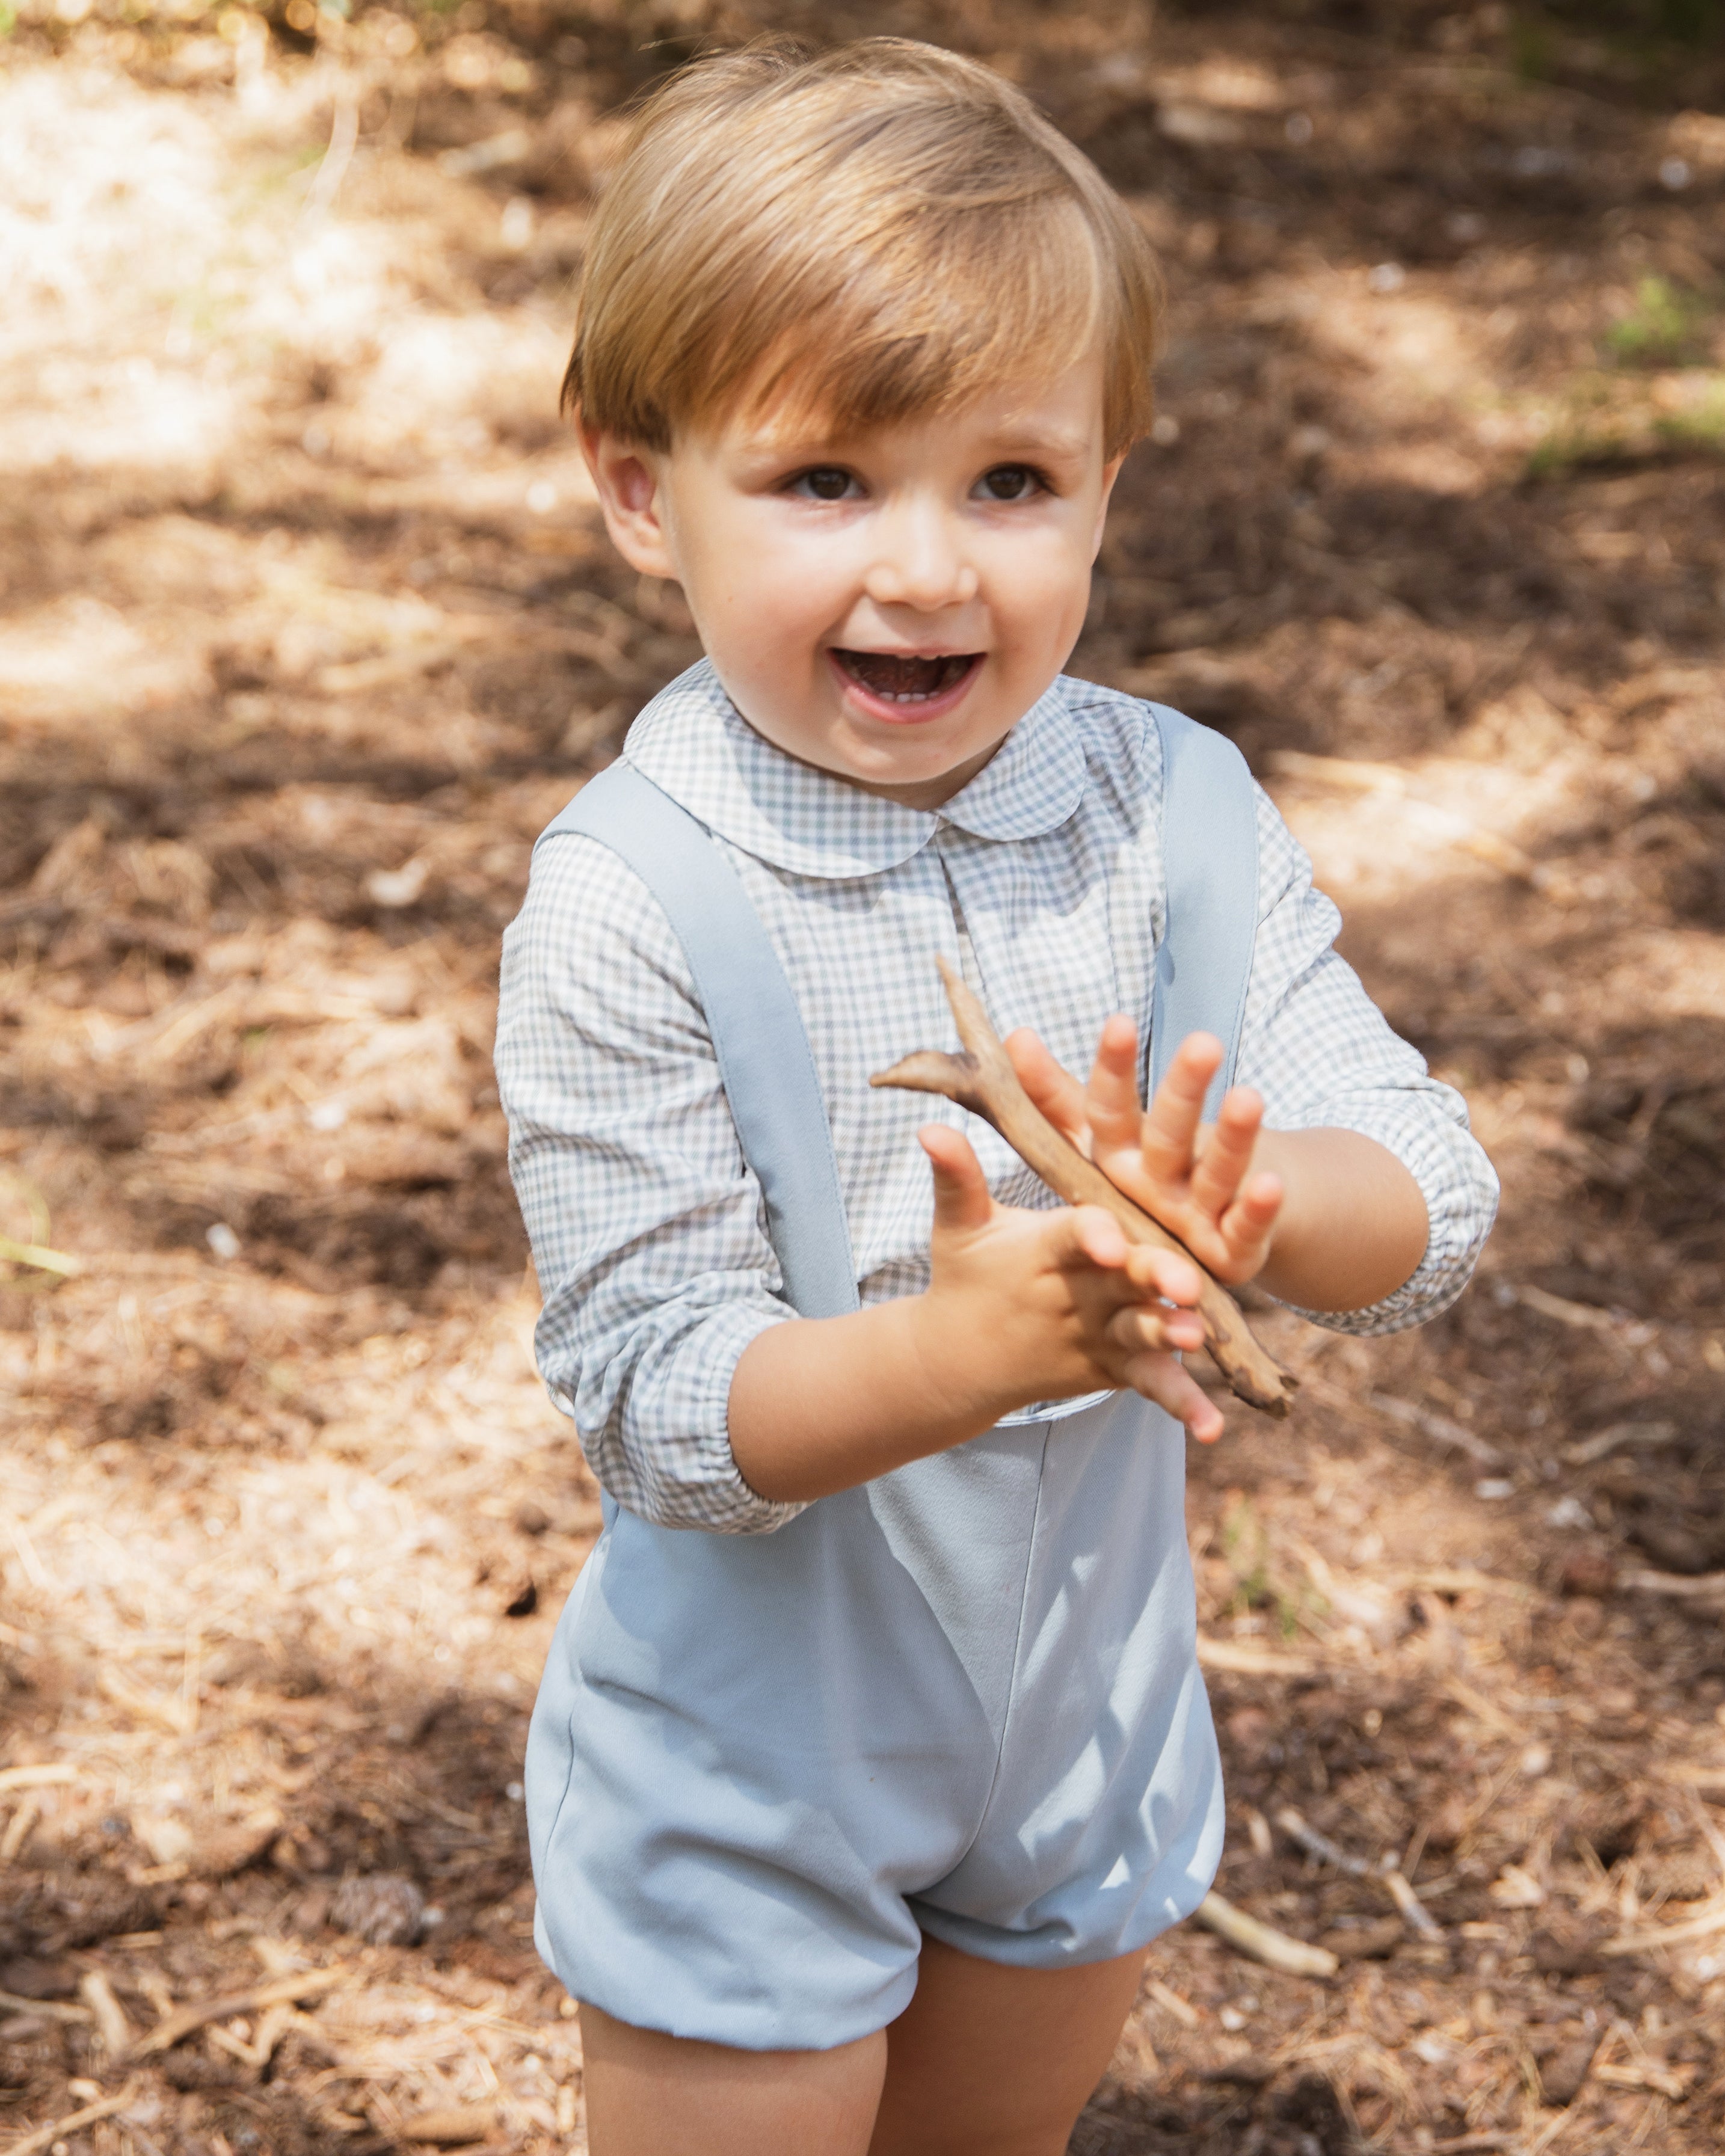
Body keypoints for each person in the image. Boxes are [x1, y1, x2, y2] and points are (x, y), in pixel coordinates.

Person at [494, 37, 1498, 2156]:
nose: (929, 567)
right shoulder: (632, 894)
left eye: (1012, 481)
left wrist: (1253, 1206)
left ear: (1112, 480)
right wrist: (957, 1355)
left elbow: (1425, 1177)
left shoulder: (1174, 816)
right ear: (633, 483)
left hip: (1088, 1731)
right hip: (754, 1753)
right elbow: (659, 1404)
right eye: (827, 480)